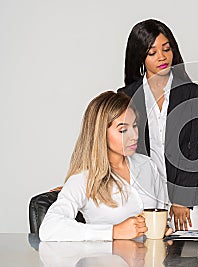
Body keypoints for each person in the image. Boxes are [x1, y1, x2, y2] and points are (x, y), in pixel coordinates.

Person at [39, 91, 169, 241]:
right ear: (100, 133)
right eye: (123, 130)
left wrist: (163, 228)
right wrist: (114, 232)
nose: (134, 136)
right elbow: (49, 228)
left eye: (134, 126)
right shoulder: (84, 178)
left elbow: (163, 213)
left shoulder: (147, 166)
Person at [118, 19, 198, 231]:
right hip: (141, 195)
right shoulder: (126, 96)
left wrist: (182, 198)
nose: (162, 57)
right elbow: (117, 149)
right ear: (140, 56)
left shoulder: (191, 92)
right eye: (152, 52)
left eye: (166, 49)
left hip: (183, 196)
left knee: (188, 258)